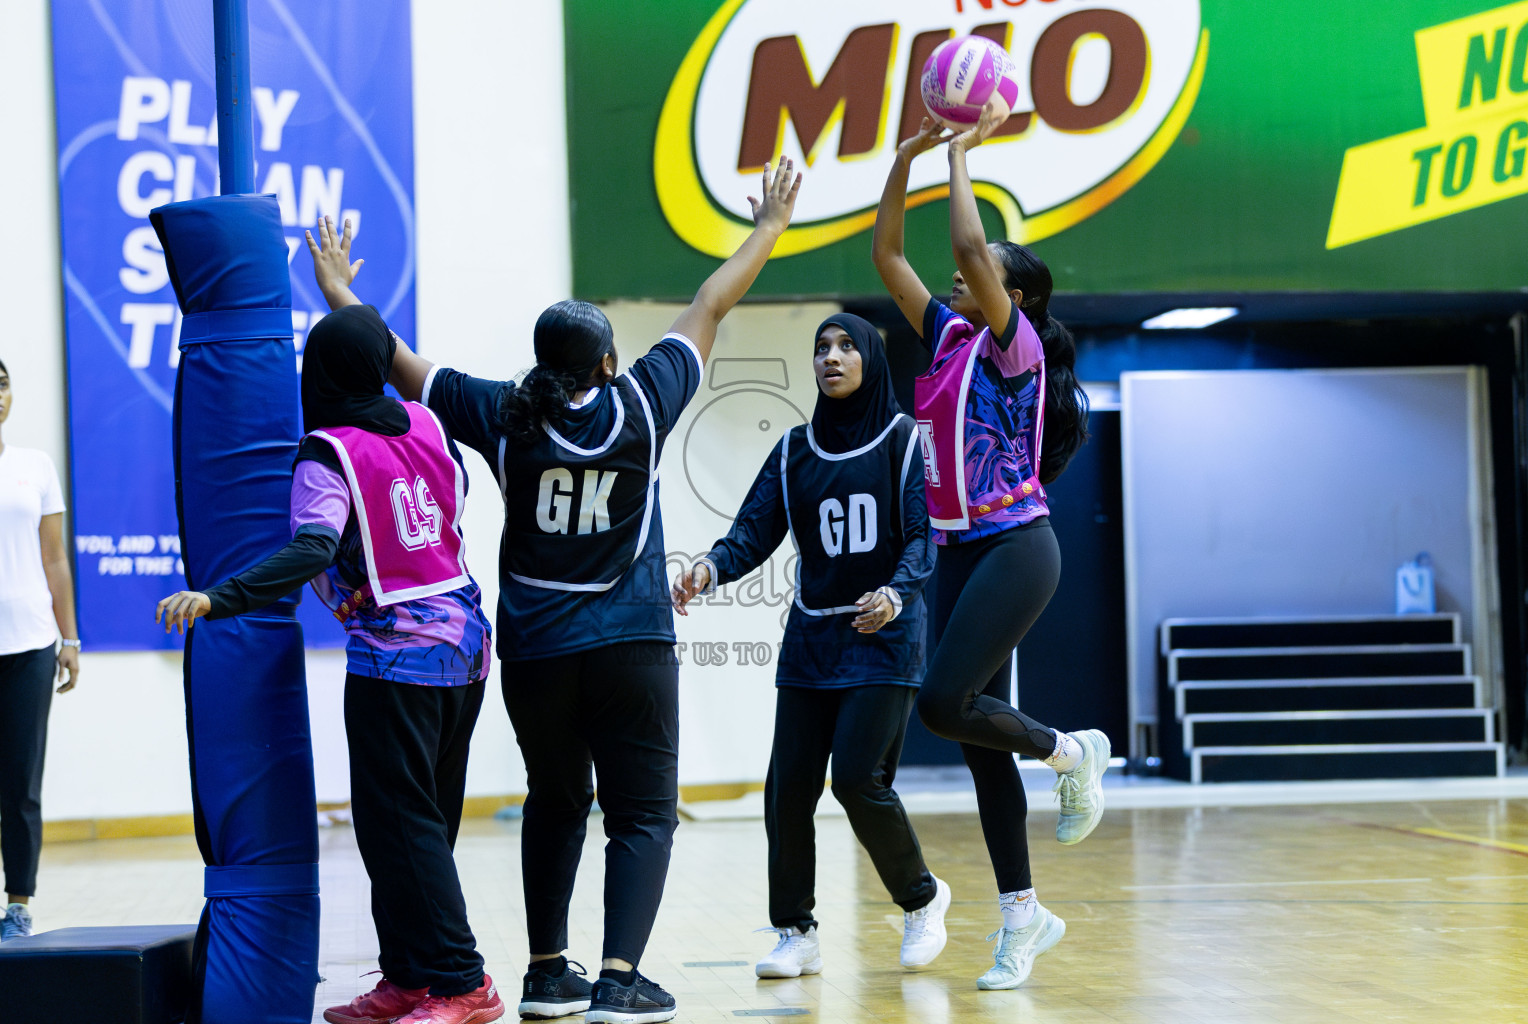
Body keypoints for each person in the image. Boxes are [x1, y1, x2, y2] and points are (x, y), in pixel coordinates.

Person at [376, 159, 801, 1024]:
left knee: (555, 800)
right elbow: (709, 302)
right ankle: (617, 980)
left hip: (537, 653)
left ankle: (545, 974)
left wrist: (340, 288)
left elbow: (403, 366)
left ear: (541, 361)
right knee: (641, 813)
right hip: (631, 644)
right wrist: (767, 228)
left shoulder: (503, 415)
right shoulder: (641, 402)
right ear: (609, 360)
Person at [156, 218, 502, 1024]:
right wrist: (342, 291)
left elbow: (314, 546)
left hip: (398, 658)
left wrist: (221, 596)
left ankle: (462, 983)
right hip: (467, 646)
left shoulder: (327, 451)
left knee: (401, 828)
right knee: (415, 825)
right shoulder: (428, 423)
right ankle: (410, 977)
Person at [871, 111, 1108, 991]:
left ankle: (1070, 752)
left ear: (1015, 297)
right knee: (977, 740)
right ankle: (1022, 919)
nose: (962, 273)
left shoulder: (1016, 349)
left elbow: (969, 244)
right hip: (963, 549)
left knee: (941, 704)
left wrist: (962, 152)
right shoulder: (947, 337)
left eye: (985, 273)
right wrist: (903, 162)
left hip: (1017, 543)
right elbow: (887, 257)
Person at [671, 313, 947, 978]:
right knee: (787, 789)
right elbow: (751, 530)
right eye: (821, 347)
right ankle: (795, 930)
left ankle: (921, 898)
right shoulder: (794, 449)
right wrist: (709, 567)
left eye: (847, 346)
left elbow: (922, 534)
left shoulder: (904, 440)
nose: (832, 357)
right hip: (811, 639)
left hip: (884, 635)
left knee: (856, 779)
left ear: (870, 359)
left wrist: (897, 592)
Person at [0, 356, 80, 942]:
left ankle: (18, 905)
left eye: (2, 384)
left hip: (29, 643)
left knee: (21, 782)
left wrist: (68, 637)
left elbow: (55, 558)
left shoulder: (34, 466)